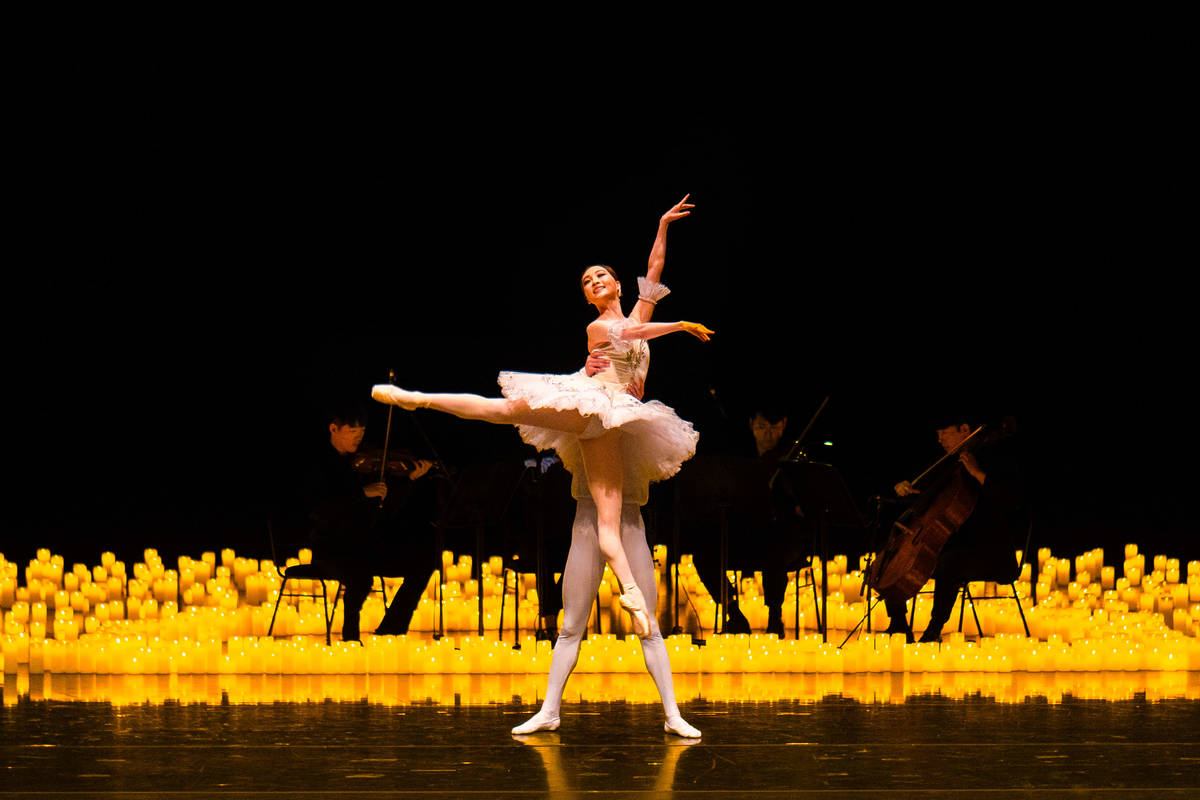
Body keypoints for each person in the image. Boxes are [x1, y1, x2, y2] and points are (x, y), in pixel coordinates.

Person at [373, 195, 708, 737]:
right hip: (590, 406)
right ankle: (419, 399)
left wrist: (663, 226)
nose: (595, 281)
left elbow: (653, 272)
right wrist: (680, 326)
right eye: (587, 281)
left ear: (617, 285)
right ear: (587, 297)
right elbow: (628, 336)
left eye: (602, 275)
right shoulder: (599, 331)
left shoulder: (639, 313)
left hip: (620, 466)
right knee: (508, 412)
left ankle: (672, 714)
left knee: (646, 615)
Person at [880, 414, 1026, 643]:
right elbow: (935, 504)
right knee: (893, 553)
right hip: (951, 544)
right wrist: (910, 491)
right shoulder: (951, 462)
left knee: (950, 562)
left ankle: (933, 629)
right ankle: (899, 623)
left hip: (990, 551)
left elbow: (1013, 500)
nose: (939, 440)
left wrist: (978, 474)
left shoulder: (996, 457)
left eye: (944, 433)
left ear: (965, 429)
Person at [302, 401, 433, 642]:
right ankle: (350, 637)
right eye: (352, 431)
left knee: (423, 564)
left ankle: (390, 630)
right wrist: (361, 494)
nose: (358, 438)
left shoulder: (364, 464)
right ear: (334, 429)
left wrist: (409, 480)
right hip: (331, 550)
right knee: (360, 576)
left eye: (362, 432)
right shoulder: (318, 466)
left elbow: (386, 509)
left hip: (365, 546)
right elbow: (320, 510)